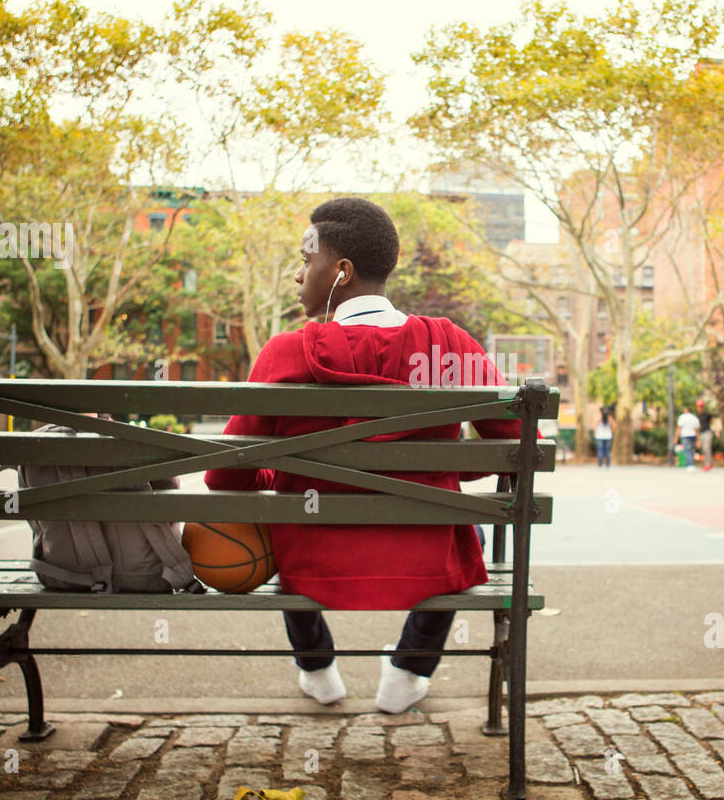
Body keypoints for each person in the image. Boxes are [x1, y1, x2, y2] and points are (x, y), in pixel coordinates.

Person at [204, 197, 522, 714]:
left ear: (342, 272)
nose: (297, 275)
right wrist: (438, 469)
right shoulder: (448, 344)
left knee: (280, 516)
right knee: (468, 524)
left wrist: (282, 474)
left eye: (307, 261)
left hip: (309, 553)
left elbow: (225, 475)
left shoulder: (284, 352)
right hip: (428, 555)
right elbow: (509, 443)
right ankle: (407, 673)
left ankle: (317, 668)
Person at [674, 405, 700, 472]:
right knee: (691, 450)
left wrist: (676, 438)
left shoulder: (682, 417)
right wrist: (698, 440)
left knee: (687, 450)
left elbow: (678, 428)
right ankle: (689, 464)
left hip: (685, 435)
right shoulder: (694, 418)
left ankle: (690, 465)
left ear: (686, 410)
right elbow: (697, 429)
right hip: (693, 435)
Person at [696, 399, 716, 470]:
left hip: (707, 432)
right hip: (701, 433)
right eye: (698, 407)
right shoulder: (697, 416)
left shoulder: (707, 414)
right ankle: (707, 464)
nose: (699, 408)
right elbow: (697, 428)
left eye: (701, 407)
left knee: (707, 448)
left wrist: (716, 431)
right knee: (704, 449)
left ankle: (708, 464)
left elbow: (713, 422)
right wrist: (697, 439)